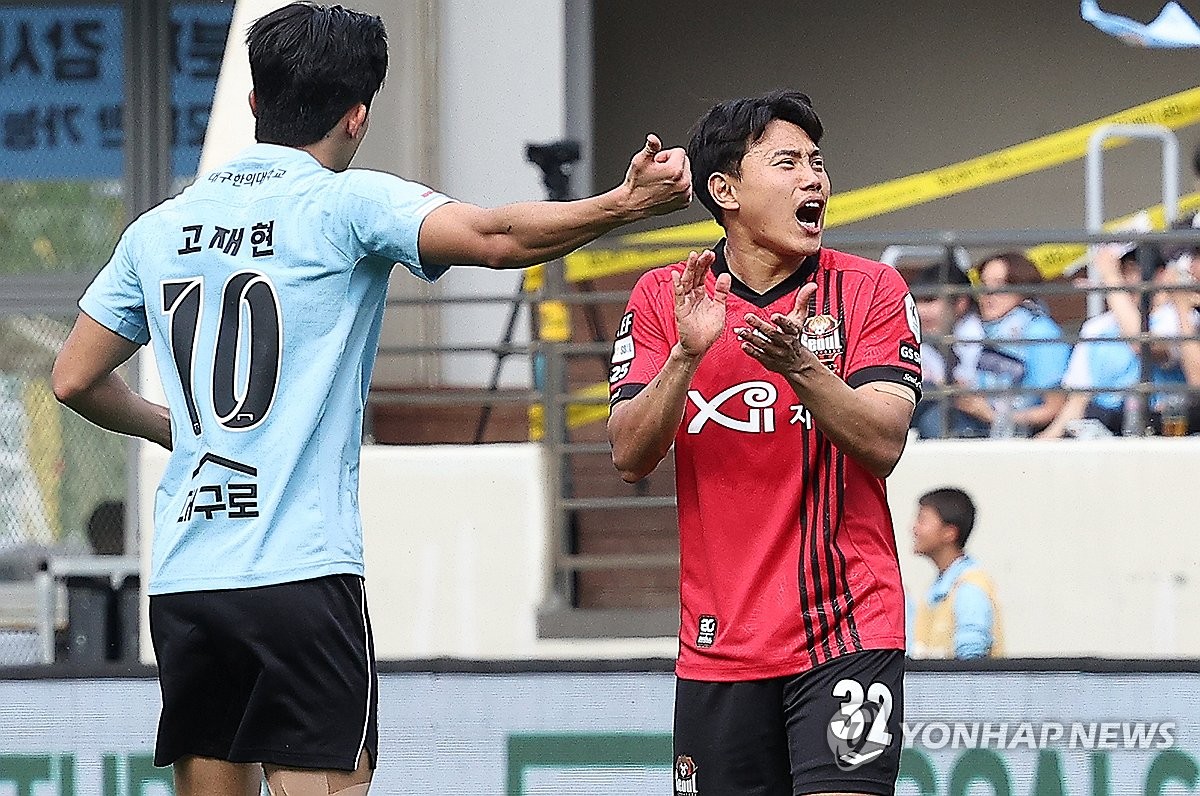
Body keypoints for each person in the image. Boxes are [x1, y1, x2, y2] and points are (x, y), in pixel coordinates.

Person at [50, 4, 691, 795]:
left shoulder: (160, 228)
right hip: (297, 577)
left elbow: (73, 378)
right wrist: (623, 206)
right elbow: (495, 239)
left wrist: (178, 431)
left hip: (190, 579)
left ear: (256, 104)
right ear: (357, 117)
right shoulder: (346, 204)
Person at [607, 90, 920, 796]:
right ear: (725, 191)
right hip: (719, 647)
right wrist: (687, 356)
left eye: (817, 162)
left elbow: (883, 443)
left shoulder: (870, 290)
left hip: (848, 632)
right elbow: (628, 456)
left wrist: (799, 366)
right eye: (787, 162)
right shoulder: (666, 296)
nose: (814, 178)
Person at [1038, 244, 1185, 438]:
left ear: (1161, 274)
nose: (1128, 279)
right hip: (1101, 433)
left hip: (1156, 431)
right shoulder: (1096, 327)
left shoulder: (1176, 318)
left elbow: (1143, 344)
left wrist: (1111, 277)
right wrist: (1042, 444)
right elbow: (1078, 403)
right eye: (1122, 270)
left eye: (1135, 270)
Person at [955, 252, 1071, 437]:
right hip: (985, 427)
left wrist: (994, 417)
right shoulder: (984, 330)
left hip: (1025, 434)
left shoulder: (1041, 332)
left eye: (1000, 285)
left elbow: (1055, 408)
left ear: (1023, 290)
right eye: (984, 284)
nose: (988, 294)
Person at [908, 487, 1003, 659]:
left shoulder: (970, 587)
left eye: (922, 520)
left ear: (949, 533)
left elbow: (971, 662)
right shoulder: (939, 588)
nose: (914, 528)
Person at [908, 262, 984, 438]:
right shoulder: (923, 341)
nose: (920, 311)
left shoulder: (984, 335)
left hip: (984, 425)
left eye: (930, 300)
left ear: (961, 302)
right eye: (916, 301)